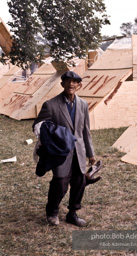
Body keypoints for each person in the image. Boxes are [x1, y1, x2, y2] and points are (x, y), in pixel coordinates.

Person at [32, 71, 96, 227]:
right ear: (62, 84)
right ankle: (52, 212)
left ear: (79, 85)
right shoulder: (51, 105)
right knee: (60, 182)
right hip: (60, 153)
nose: (71, 84)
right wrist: (50, 139)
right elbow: (37, 125)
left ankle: (72, 213)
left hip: (79, 152)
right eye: (68, 81)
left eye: (75, 82)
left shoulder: (83, 104)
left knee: (79, 182)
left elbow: (85, 131)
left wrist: (91, 153)